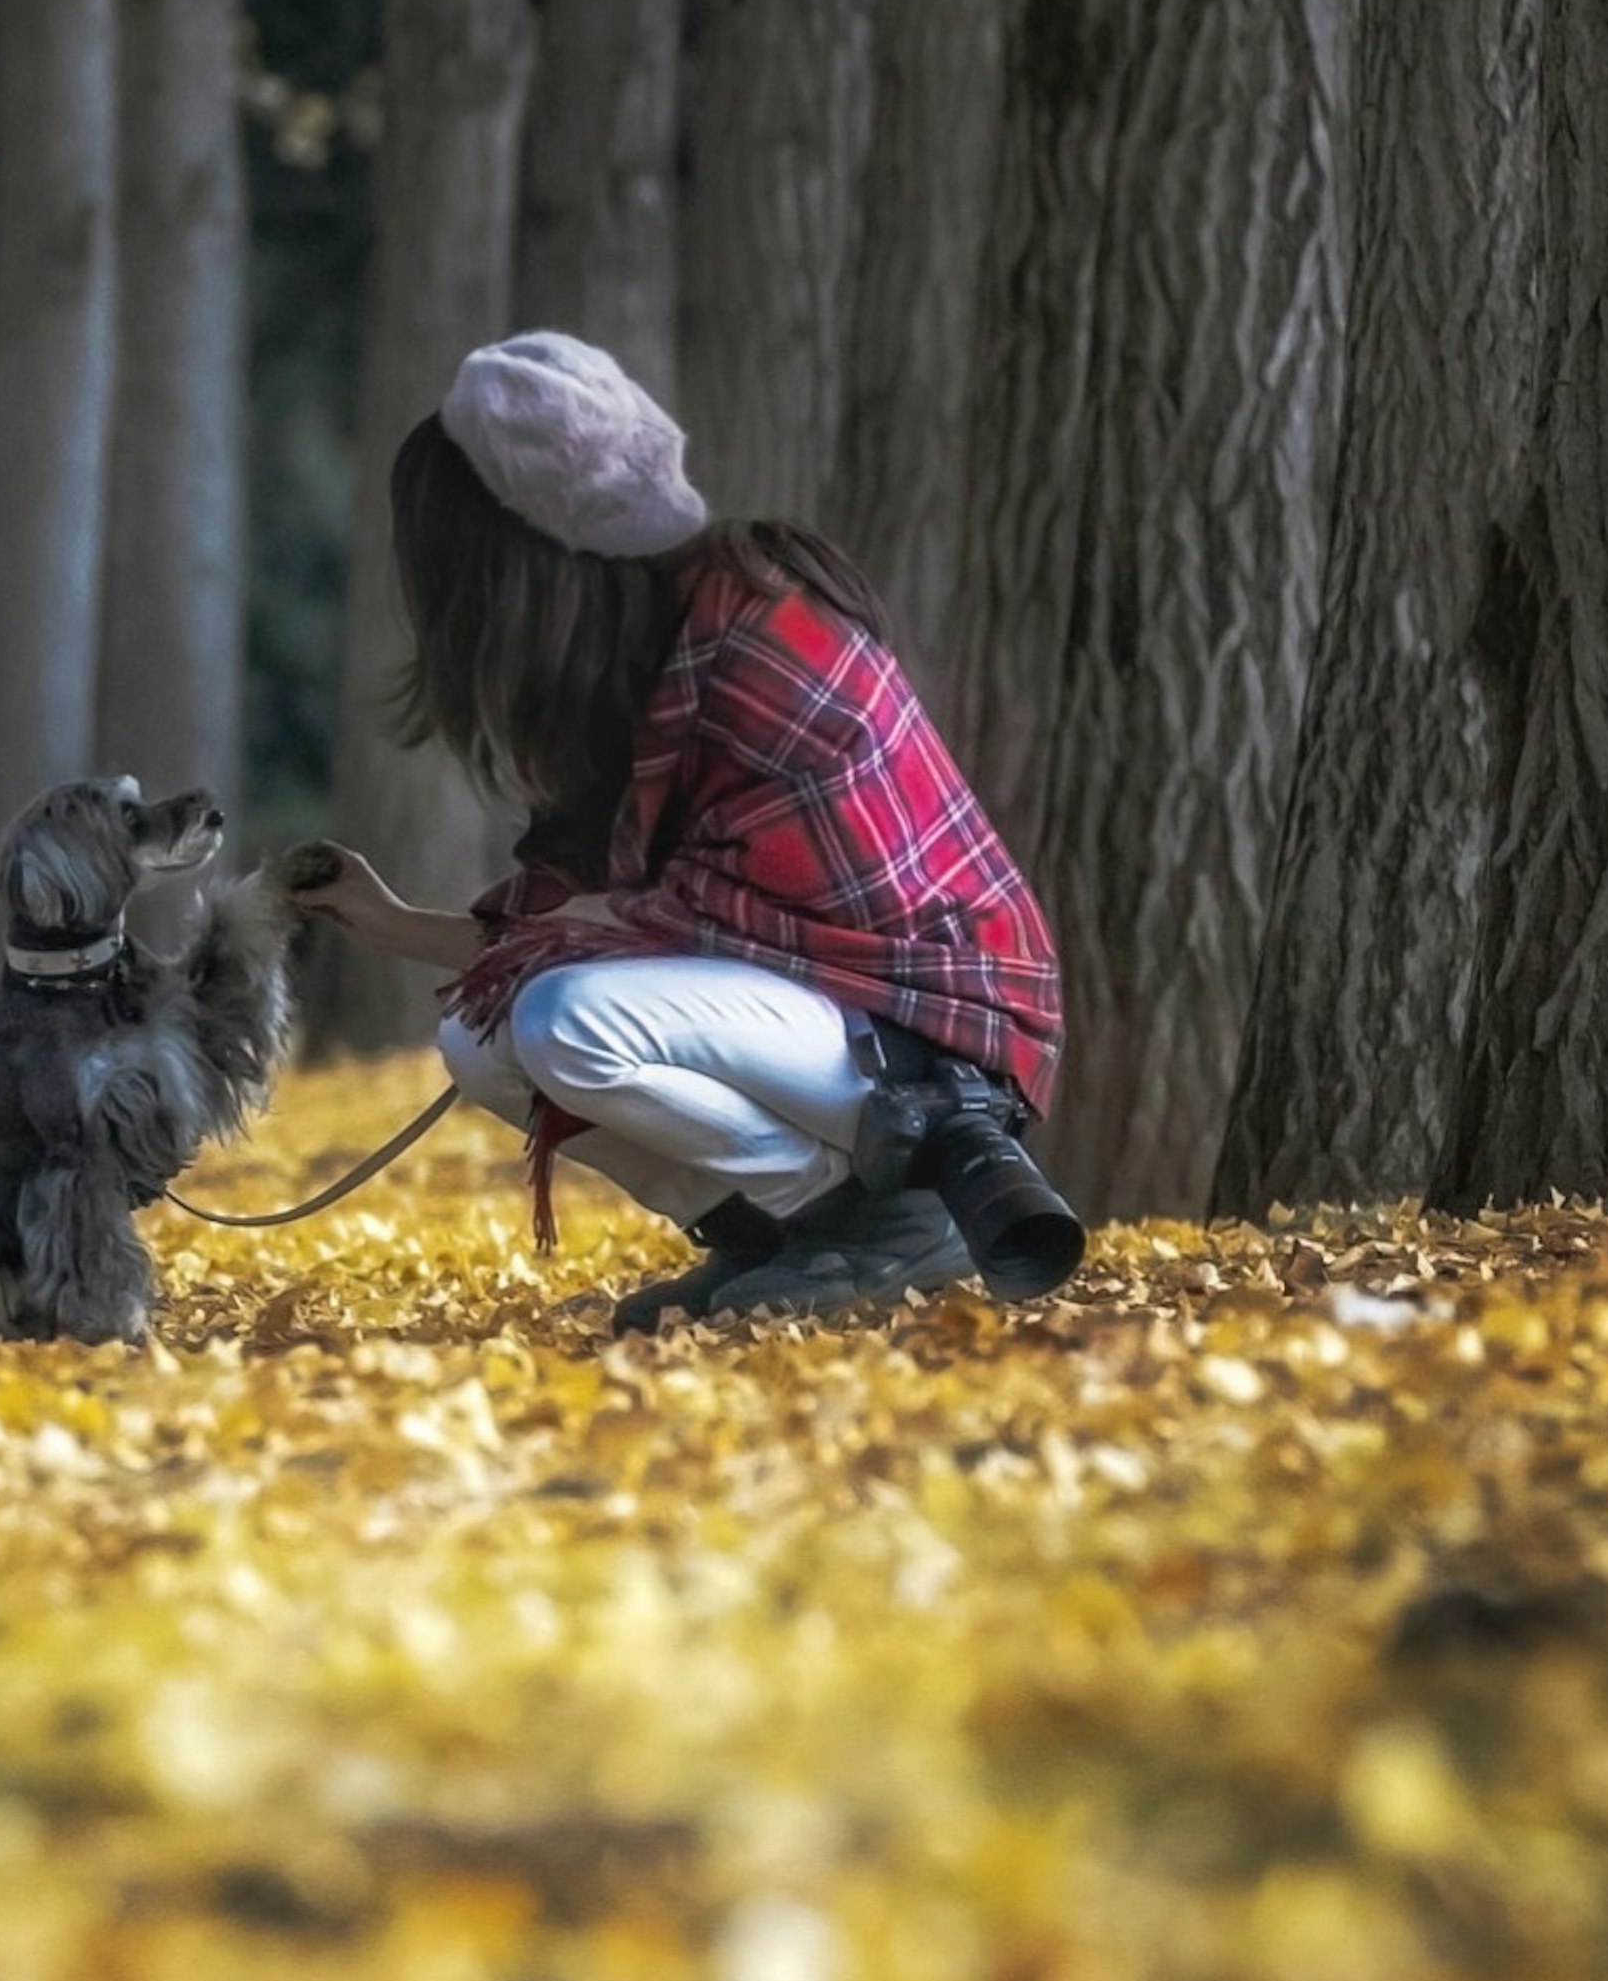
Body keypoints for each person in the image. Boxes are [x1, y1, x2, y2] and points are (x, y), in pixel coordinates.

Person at [286, 332, 1076, 1327]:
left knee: (561, 1020)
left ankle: (889, 1221)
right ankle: (773, 1234)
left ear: (520, 562)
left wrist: (584, 924)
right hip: (825, 1014)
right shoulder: (639, 659)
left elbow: (723, 927)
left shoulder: (757, 644)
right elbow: (600, 927)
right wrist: (394, 921)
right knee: (479, 1034)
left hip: (934, 1030)